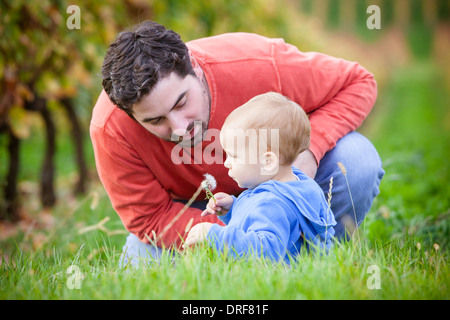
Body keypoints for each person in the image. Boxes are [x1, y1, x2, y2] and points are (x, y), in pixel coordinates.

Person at [90, 21, 384, 267]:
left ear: (196, 69)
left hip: (288, 188)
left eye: (182, 102)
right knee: (139, 260)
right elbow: (150, 216)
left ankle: (315, 256)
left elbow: (358, 82)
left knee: (356, 162)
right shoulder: (111, 129)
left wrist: (310, 151)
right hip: (208, 211)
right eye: (156, 121)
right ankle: (270, 254)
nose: (180, 128)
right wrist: (233, 238)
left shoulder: (258, 62)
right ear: (130, 115)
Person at [183, 92, 336, 263]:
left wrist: (214, 234)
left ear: (268, 161)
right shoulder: (298, 186)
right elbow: (260, 223)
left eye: (234, 156)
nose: (227, 163)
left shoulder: (271, 203)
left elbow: (263, 251)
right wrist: (233, 209)